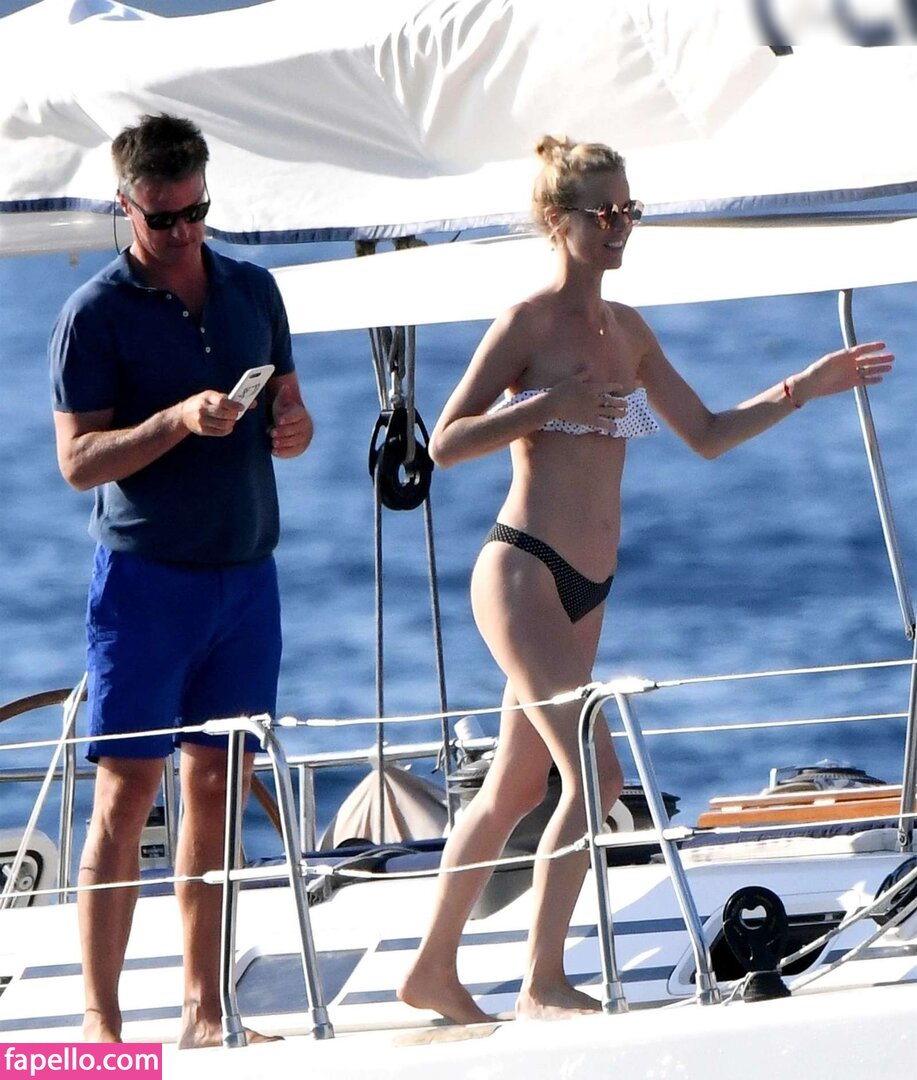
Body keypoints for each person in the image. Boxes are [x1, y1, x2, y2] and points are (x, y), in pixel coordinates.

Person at [397, 135, 894, 1025]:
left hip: (585, 589)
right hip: (522, 572)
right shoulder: (525, 324)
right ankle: (542, 983)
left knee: (516, 787)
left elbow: (704, 433)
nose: (620, 225)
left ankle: (432, 971)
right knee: (593, 779)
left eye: (629, 209)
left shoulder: (626, 331)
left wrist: (802, 386)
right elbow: (445, 443)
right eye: (604, 212)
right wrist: (546, 405)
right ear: (559, 221)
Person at [49, 113, 314, 1047]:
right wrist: (172, 420)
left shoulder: (253, 289)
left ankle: (206, 1011)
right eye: (163, 218)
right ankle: (101, 1024)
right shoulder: (94, 314)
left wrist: (293, 427)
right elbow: (77, 462)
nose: (184, 231)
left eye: (197, 211)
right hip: (146, 584)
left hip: (246, 578)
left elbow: (289, 403)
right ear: (125, 206)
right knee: (127, 795)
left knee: (218, 789)